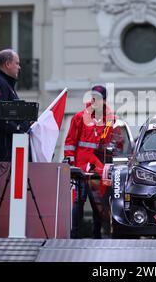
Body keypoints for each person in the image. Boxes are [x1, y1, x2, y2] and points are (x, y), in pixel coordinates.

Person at [64, 85, 117, 238]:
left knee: (98, 204)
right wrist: (71, 164)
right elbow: (70, 142)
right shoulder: (79, 117)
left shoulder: (109, 119)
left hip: (98, 169)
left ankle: (97, 236)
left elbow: (108, 142)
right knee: (78, 201)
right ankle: (74, 236)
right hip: (80, 168)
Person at [0, 49, 30, 162]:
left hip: (8, 152)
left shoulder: (5, 84)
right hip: (2, 155)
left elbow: (10, 114)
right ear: (8, 64)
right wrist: (19, 131)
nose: (19, 67)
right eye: (17, 63)